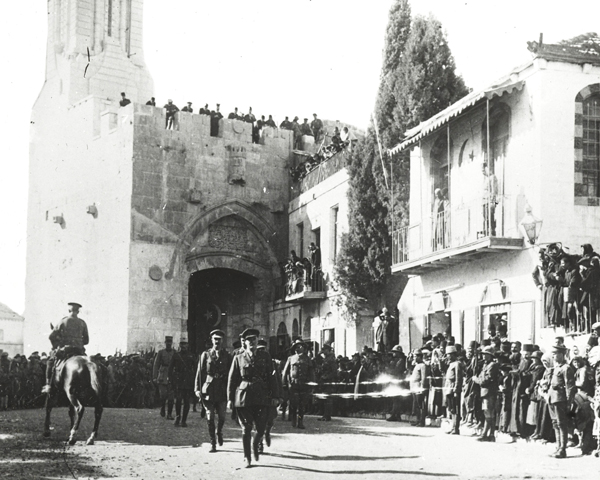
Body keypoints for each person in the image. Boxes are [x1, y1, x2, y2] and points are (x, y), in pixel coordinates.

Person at [228, 328, 278, 468]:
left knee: (261, 428)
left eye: (254, 339)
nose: (252, 342)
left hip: (262, 396)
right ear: (244, 342)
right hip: (244, 397)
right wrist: (230, 399)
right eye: (249, 340)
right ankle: (247, 457)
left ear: (257, 340)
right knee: (246, 428)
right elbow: (232, 380)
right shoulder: (238, 358)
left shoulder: (265, 356)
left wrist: (276, 395)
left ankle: (255, 444)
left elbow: (272, 377)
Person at [42, 302, 89, 394]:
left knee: (50, 362)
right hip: (79, 350)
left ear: (69, 310)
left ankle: (48, 385)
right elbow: (87, 341)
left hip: (65, 350)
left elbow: (51, 336)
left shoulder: (63, 321)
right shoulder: (83, 323)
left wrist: (56, 346)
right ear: (78, 311)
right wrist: (78, 342)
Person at [196, 329, 231, 453]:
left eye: (219, 339)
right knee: (210, 417)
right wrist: (197, 389)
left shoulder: (227, 356)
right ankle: (213, 443)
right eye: (215, 339)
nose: (217, 341)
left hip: (221, 390)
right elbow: (199, 373)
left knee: (222, 417)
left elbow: (231, 374)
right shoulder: (205, 355)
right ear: (212, 340)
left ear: (222, 341)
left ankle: (219, 431)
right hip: (208, 390)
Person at [548, 342, 575, 458]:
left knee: (561, 424)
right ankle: (558, 447)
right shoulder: (557, 367)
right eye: (553, 354)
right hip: (553, 398)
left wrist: (569, 402)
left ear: (562, 354)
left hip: (560, 399)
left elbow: (570, 386)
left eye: (556, 354)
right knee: (555, 424)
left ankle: (563, 449)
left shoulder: (566, 368)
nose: (554, 356)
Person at [282, 339, 315, 429]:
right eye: (296, 347)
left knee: (302, 405)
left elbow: (311, 372)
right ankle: (293, 421)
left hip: (304, 385)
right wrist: (284, 383)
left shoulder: (308, 359)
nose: (298, 348)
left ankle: (300, 422)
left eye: (300, 346)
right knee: (293, 404)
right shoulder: (290, 358)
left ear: (304, 349)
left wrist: (312, 384)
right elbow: (285, 372)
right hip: (293, 385)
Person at [167, 336, 196, 427]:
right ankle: (178, 417)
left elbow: (195, 369)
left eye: (185, 344)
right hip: (178, 381)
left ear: (187, 345)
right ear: (179, 345)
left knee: (187, 401)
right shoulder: (176, 355)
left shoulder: (191, 355)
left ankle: (184, 420)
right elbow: (170, 368)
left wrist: (194, 381)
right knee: (178, 400)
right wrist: (171, 380)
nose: (183, 346)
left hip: (187, 381)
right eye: (182, 344)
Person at [473, 345, 500, 442]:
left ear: (491, 356)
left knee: (488, 413)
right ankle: (491, 435)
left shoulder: (492, 365)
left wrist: (476, 380)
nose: (484, 356)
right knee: (488, 413)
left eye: (486, 355)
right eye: (483, 354)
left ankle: (486, 434)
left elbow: (486, 379)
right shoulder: (486, 365)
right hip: (485, 392)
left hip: (489, 392)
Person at [153, 336, 175, 419]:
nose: (168, 344)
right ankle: (162, 408)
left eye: (170, 342)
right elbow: (156, 365)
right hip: (162, 375)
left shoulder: (175, 353)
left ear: (171, 343)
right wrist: (155, 376)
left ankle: (169, 414)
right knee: (163, 395)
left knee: (171, 397)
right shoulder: (161, 353)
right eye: (167, 342)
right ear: (165, 343)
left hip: (172, 375)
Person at [444, 345, 463, 435]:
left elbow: (458, 378)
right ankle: (452, 427)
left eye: (448, 354)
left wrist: (456, 390)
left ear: (452, 355)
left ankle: (456, 428)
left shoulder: (457, 364)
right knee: (451, 409)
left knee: (455, 408)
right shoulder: (450, 364)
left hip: (453, 389)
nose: (447, 356)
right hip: (448, 388)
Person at [410, 349, 429, 427]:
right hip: (414, 387)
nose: (414, 358)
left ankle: (422, 421)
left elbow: (424, 378)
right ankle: (418, 420)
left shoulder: (422, 365)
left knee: (421, 405)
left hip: (419, 387)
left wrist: (422, 388)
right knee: (416, 405)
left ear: (419, 357)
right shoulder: (416, 365)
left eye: (415, 356)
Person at [482, 163, 498, 236]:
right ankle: (486, 231)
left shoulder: (492, 177)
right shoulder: (485, 179)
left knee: (490, 216)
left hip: (490, 200)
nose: (483, 172)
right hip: (484, 201)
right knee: (485, 217)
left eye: (483, 169)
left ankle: (492, 231)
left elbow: (494, 190)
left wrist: (492, 201)